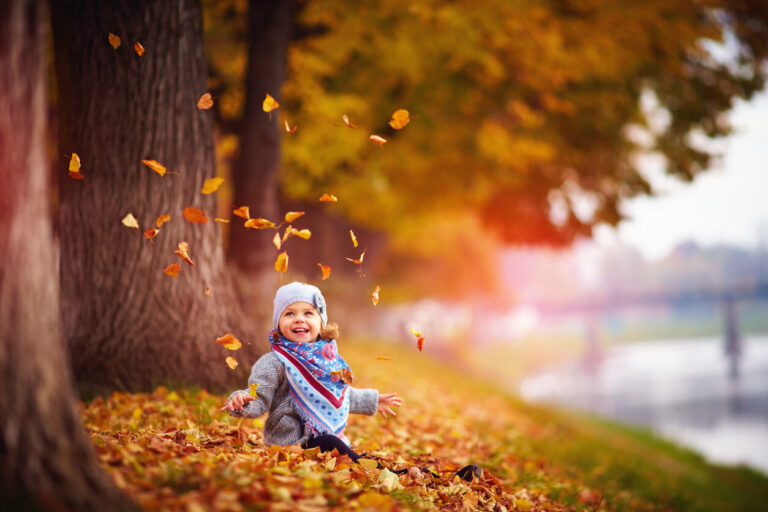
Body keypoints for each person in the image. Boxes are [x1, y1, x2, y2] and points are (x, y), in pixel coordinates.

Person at [220, 281, 481, 481]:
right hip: (292, 445)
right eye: (289, 314)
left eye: (308, 313)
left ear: (320, 322)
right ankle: (394, 474)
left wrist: (372, 399)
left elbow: (341, 394)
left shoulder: (327, 359)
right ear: (279, 323)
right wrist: (242, 400)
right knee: (338, 447)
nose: (299, 318)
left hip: (322, 438)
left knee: (356, 456)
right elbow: (258, 393)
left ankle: (430, 478)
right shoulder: (274, 361)